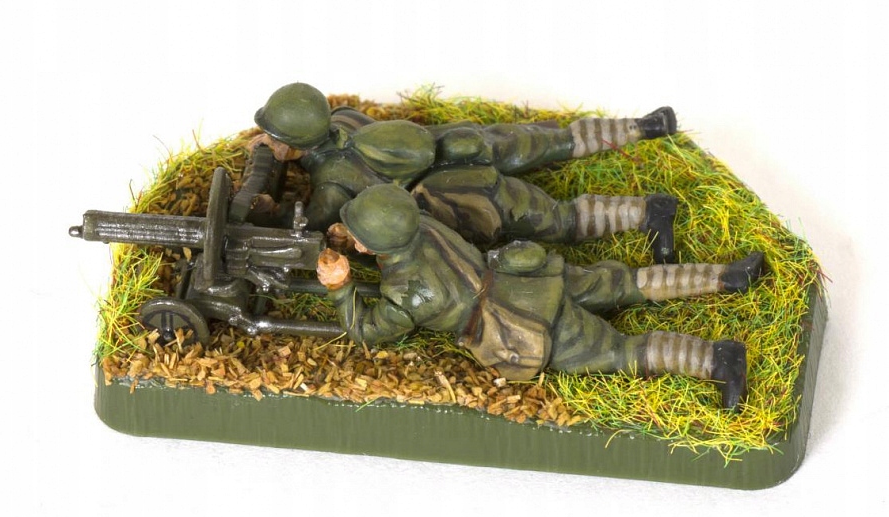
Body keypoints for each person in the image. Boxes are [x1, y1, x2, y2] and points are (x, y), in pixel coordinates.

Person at [315, 185, 765, 410]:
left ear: (374, 244)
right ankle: (726, 276)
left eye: (359, 234)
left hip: (521, 318)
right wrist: (353, 238)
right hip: (527, 275)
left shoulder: (407, 294)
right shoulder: (422, 225)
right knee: (623, 282)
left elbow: (367, 330)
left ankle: (716, 360)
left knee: (617, 351)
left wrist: (340, 287)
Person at [254, 82, 681, 263]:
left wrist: (272, 212)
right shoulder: (344, 118)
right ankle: (645, 126)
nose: (269, 142)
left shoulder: (331, 184)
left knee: (559, 219)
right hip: (460, 144)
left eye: (274, 137)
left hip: (460, 192)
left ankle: (648, 213)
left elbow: (310, 223)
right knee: (553, 140)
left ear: (294, 143)